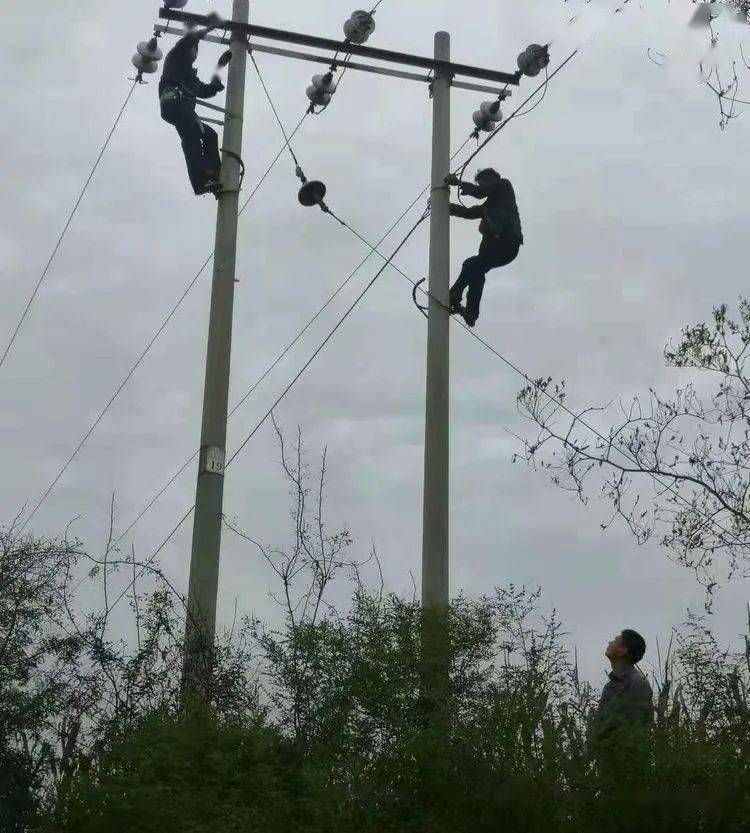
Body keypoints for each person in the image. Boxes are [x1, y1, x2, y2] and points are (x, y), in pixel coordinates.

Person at [159, 13, 226, 196]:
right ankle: (207, 175)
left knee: (209, 135)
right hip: (173, 101)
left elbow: (207, 90)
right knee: (195, 134)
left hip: (182, 108)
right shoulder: (176, 57)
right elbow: (190, 39)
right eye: (193, 50)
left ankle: (208, 180)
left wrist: (220, 67)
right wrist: (209, 27)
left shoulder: (191, 78)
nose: (194, 54)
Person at [446, 168, 523, 327]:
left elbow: (481, 192)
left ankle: (454, 294)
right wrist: (445, 207)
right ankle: (471, 313)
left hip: (507, 244)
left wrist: (459, 183)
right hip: (496, 249)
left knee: (472, 265)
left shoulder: (504, 185)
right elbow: (468, 212)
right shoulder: (488, 207)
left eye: (484, 182)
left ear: (493, 179)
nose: (483, 186)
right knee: (476, 271)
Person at [587, 629, 654, 783]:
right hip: (609, 767)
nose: (610, 643)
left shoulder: (637, 684)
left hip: (627, 771)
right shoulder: (611, 685)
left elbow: (629, 727)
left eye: (615, 641)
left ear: (623, 650)